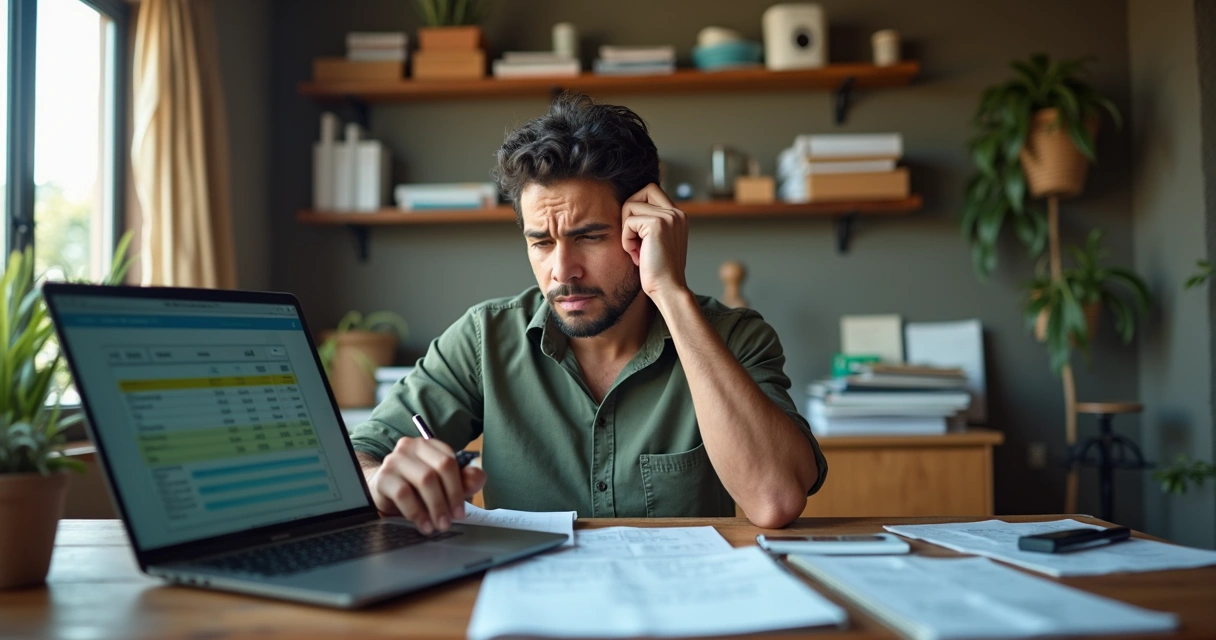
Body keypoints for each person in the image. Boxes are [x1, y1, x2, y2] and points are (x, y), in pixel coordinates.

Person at [349, 93, 826, 532]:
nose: (562, 271)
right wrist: (380, 482)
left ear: (645, 225)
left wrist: (671, 292)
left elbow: (774, 500)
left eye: (590, 237)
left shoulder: (735, 337)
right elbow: (357, 458)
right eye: (541, 242)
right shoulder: (484, 339)